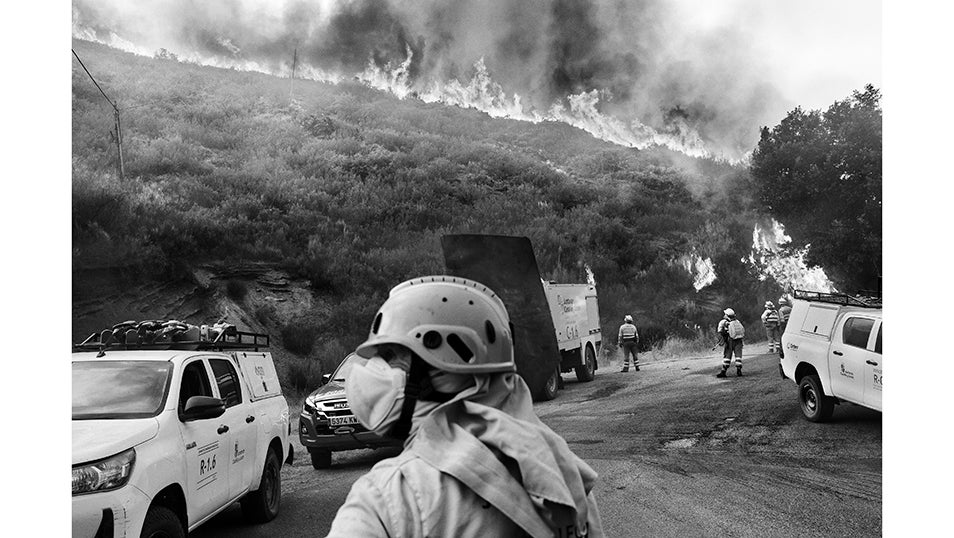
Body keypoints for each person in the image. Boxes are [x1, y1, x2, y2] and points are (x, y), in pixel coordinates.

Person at [327, 276, 603, 538]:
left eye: (390, 357)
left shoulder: (387, 497)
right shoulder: (565, 474)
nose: (372, 371)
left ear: (442, 367)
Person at [716, 308, 744, 378]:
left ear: (727, 315)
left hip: (730, 340)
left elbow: (719, 331)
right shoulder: (737, 322)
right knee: (738, 356)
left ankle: (723, 371)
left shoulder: (723, 322)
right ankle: (739, 370)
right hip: (739, 340)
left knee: (727, 355)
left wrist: (721, 339)